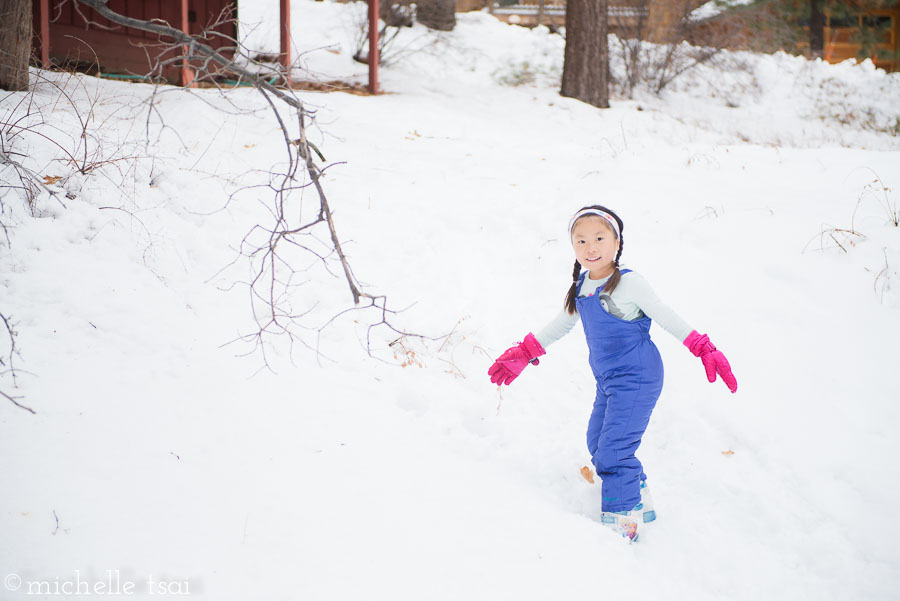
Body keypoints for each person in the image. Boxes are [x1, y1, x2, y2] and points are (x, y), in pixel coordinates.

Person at [487, 205, 737, 543]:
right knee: (597, 441)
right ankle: (638, 500)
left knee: (614, 452)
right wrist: (525, 351)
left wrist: (703, 347)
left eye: (600, 238)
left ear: (617, 242)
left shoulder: (629, 283)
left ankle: (621, 529)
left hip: (637, 376)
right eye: (581, 241)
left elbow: (665, 315)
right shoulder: (582, 286)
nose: (591, 247)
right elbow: (561, 324)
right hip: (608, 380)